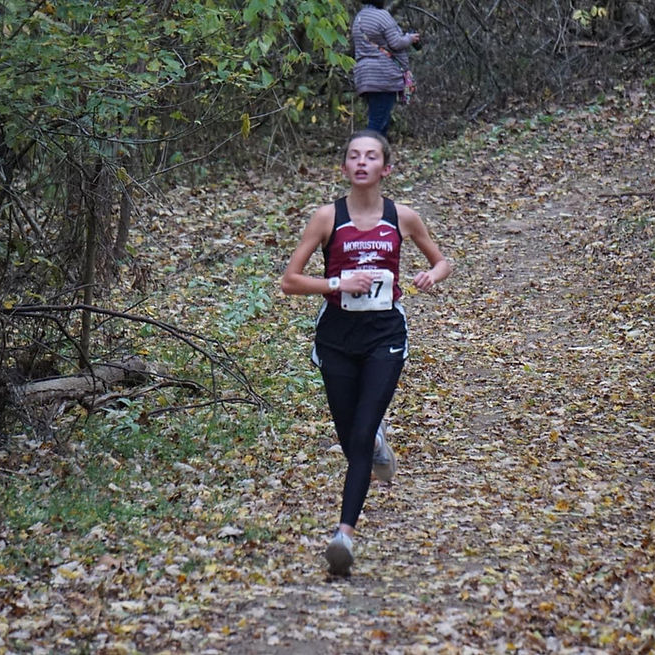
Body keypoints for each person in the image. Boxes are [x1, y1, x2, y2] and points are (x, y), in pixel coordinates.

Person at [281, 130, 452, 576]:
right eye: (353, 156)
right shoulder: (326, 219)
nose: (361, 163)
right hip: (336, 338)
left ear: (385, 168)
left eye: (371, 156)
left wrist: (432, 275)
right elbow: (289, 281)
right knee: (350, 437)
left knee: (358, 437)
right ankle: (374, 442)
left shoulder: (402, 217)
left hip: (384, 338)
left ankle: (344, 536)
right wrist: (337, 284)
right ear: (344, 168)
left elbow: (442, 260)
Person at [351, 1, 420, 137]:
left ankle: (379, 155)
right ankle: (367, 152)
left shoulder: (359, 17)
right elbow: (396, 43)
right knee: (377, 123)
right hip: (382, 76)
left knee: (380, 119)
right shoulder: (382, 15)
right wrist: (410, 38)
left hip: (365, 76)